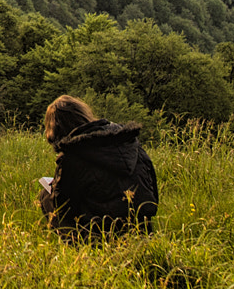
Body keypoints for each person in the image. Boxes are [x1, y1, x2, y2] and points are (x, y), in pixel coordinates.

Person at [37, 94, 158, 238]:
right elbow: (152, 189)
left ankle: (77, 246)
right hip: (141, 227)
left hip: (100, 234)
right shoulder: (129, 141)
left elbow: (63, 205)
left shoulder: (72, 155)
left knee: (45, 196)